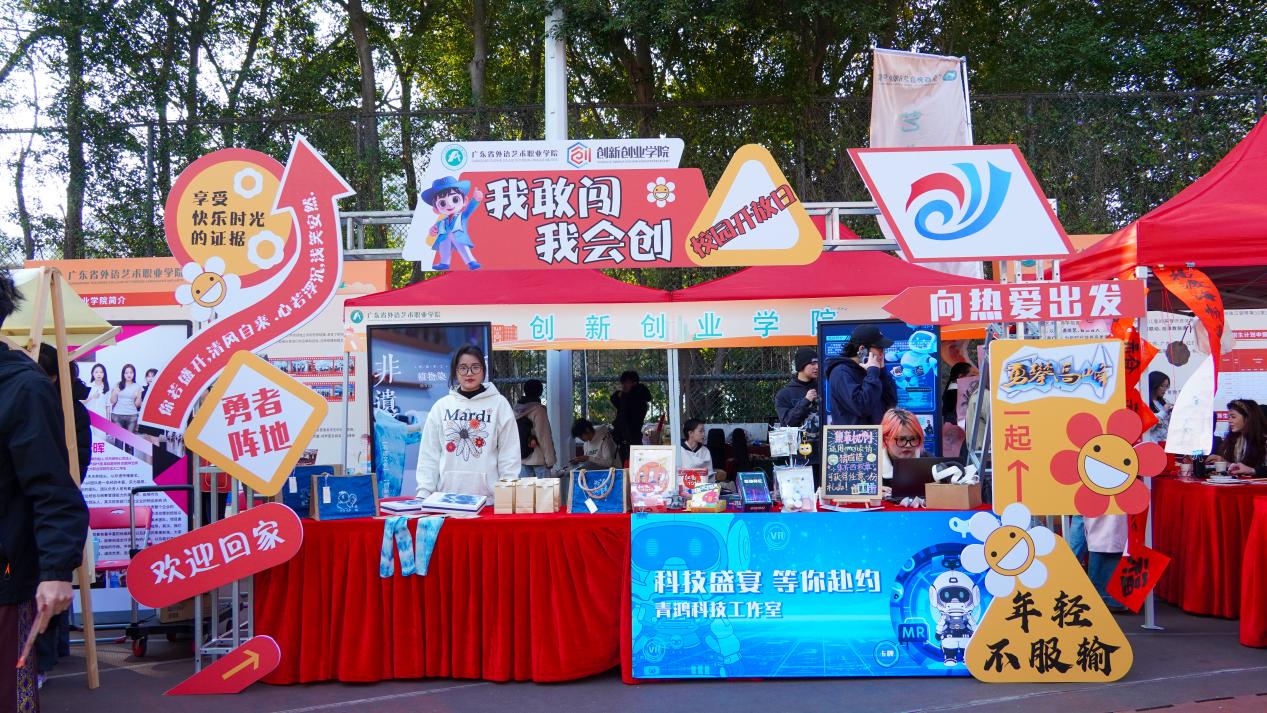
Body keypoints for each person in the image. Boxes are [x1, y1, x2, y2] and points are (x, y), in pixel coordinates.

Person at [1, 270, 90, 705]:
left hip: (6, 581)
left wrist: (56, 571)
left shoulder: (23, 388)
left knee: (9, 697)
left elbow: (55, 491)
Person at [34, 344, 92, 681]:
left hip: (54, 507)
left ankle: (42, 662)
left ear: (54, 376)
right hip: (47, 507)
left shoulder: (71, 410)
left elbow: (78, 464)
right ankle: (50, 653)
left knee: (50, 579)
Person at [415, 345, 520, 498]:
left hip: (488, 501)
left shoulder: (499, 404)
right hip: (446, 500)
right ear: (455, 371)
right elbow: (429, 454)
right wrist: (423, 492)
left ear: (483, 370)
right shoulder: (441, 406)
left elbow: (509, 453)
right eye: (463, 368)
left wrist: (507, 493)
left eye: (475, 367)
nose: (469, 373)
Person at [824, 324, 897, 426]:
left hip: (878, 432)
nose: (882, 353)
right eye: (879, 348)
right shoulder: (841, 372)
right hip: (856, 435)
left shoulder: (871, 370)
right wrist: (873, 373)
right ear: (862, 349)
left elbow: (891, 403)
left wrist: (882, 372)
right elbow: (861, 407)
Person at [774, 347, 822, 464]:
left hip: (825, 453)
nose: (816, 367)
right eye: (812, 363)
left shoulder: (824, 389)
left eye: (818, 363)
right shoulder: (785, 394)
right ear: (801, 366)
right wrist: (805, 401)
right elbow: (787, 423)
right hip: (799, 457)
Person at [1209, 398, 1267, 476]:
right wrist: (1226, 464)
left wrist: (1252, 470)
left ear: (1248, 418)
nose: (1229, 421)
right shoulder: (1235, 440)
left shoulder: (1264, 441)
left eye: (1233, 417)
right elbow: (1241, 467)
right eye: (1228, 417)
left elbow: (1249, 469)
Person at [512, 379, 556, 478]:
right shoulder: (538, 410)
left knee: (525, 488)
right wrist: (550, 460)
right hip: (538, 458)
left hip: (522, 457)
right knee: (544, 488)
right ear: (539, 392)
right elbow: (543, 436)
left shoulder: (515, 410)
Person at [611, 370, 652, 462]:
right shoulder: (624, 396)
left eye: (626, 382)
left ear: (634, 383)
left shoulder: (638, 395)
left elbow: (638, 397)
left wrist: (622, 395)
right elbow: (615, 400)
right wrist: (620, 395)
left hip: (633, 435)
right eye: (623, 383)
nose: (624, 386)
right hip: (624, 436)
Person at [941, 361, 977, 426]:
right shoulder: (955, 392)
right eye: (971, 376)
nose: (973, 379)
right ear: (961, 376)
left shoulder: (952, 390)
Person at [109, 363, 142, 431]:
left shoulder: (137, 386)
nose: (129, 375)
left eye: (131, 372)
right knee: (118, 437)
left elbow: (137, 405)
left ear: (134, 374)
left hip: (132, 415)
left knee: (129, 437)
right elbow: (112, 401)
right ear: (123, 374)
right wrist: (115, 393)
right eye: (126, 373)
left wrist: (138, 397)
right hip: (117, 415)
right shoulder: (118, 384)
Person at [1145, 371, 1172, 444]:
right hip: (1153, 445)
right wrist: (1163, 412)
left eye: (1166, 386)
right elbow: (1148, 427)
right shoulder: (1145, 403)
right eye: (1162, 386)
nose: (1164, 389)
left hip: (1166, 444)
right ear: (1154, 385)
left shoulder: (1165, 402)